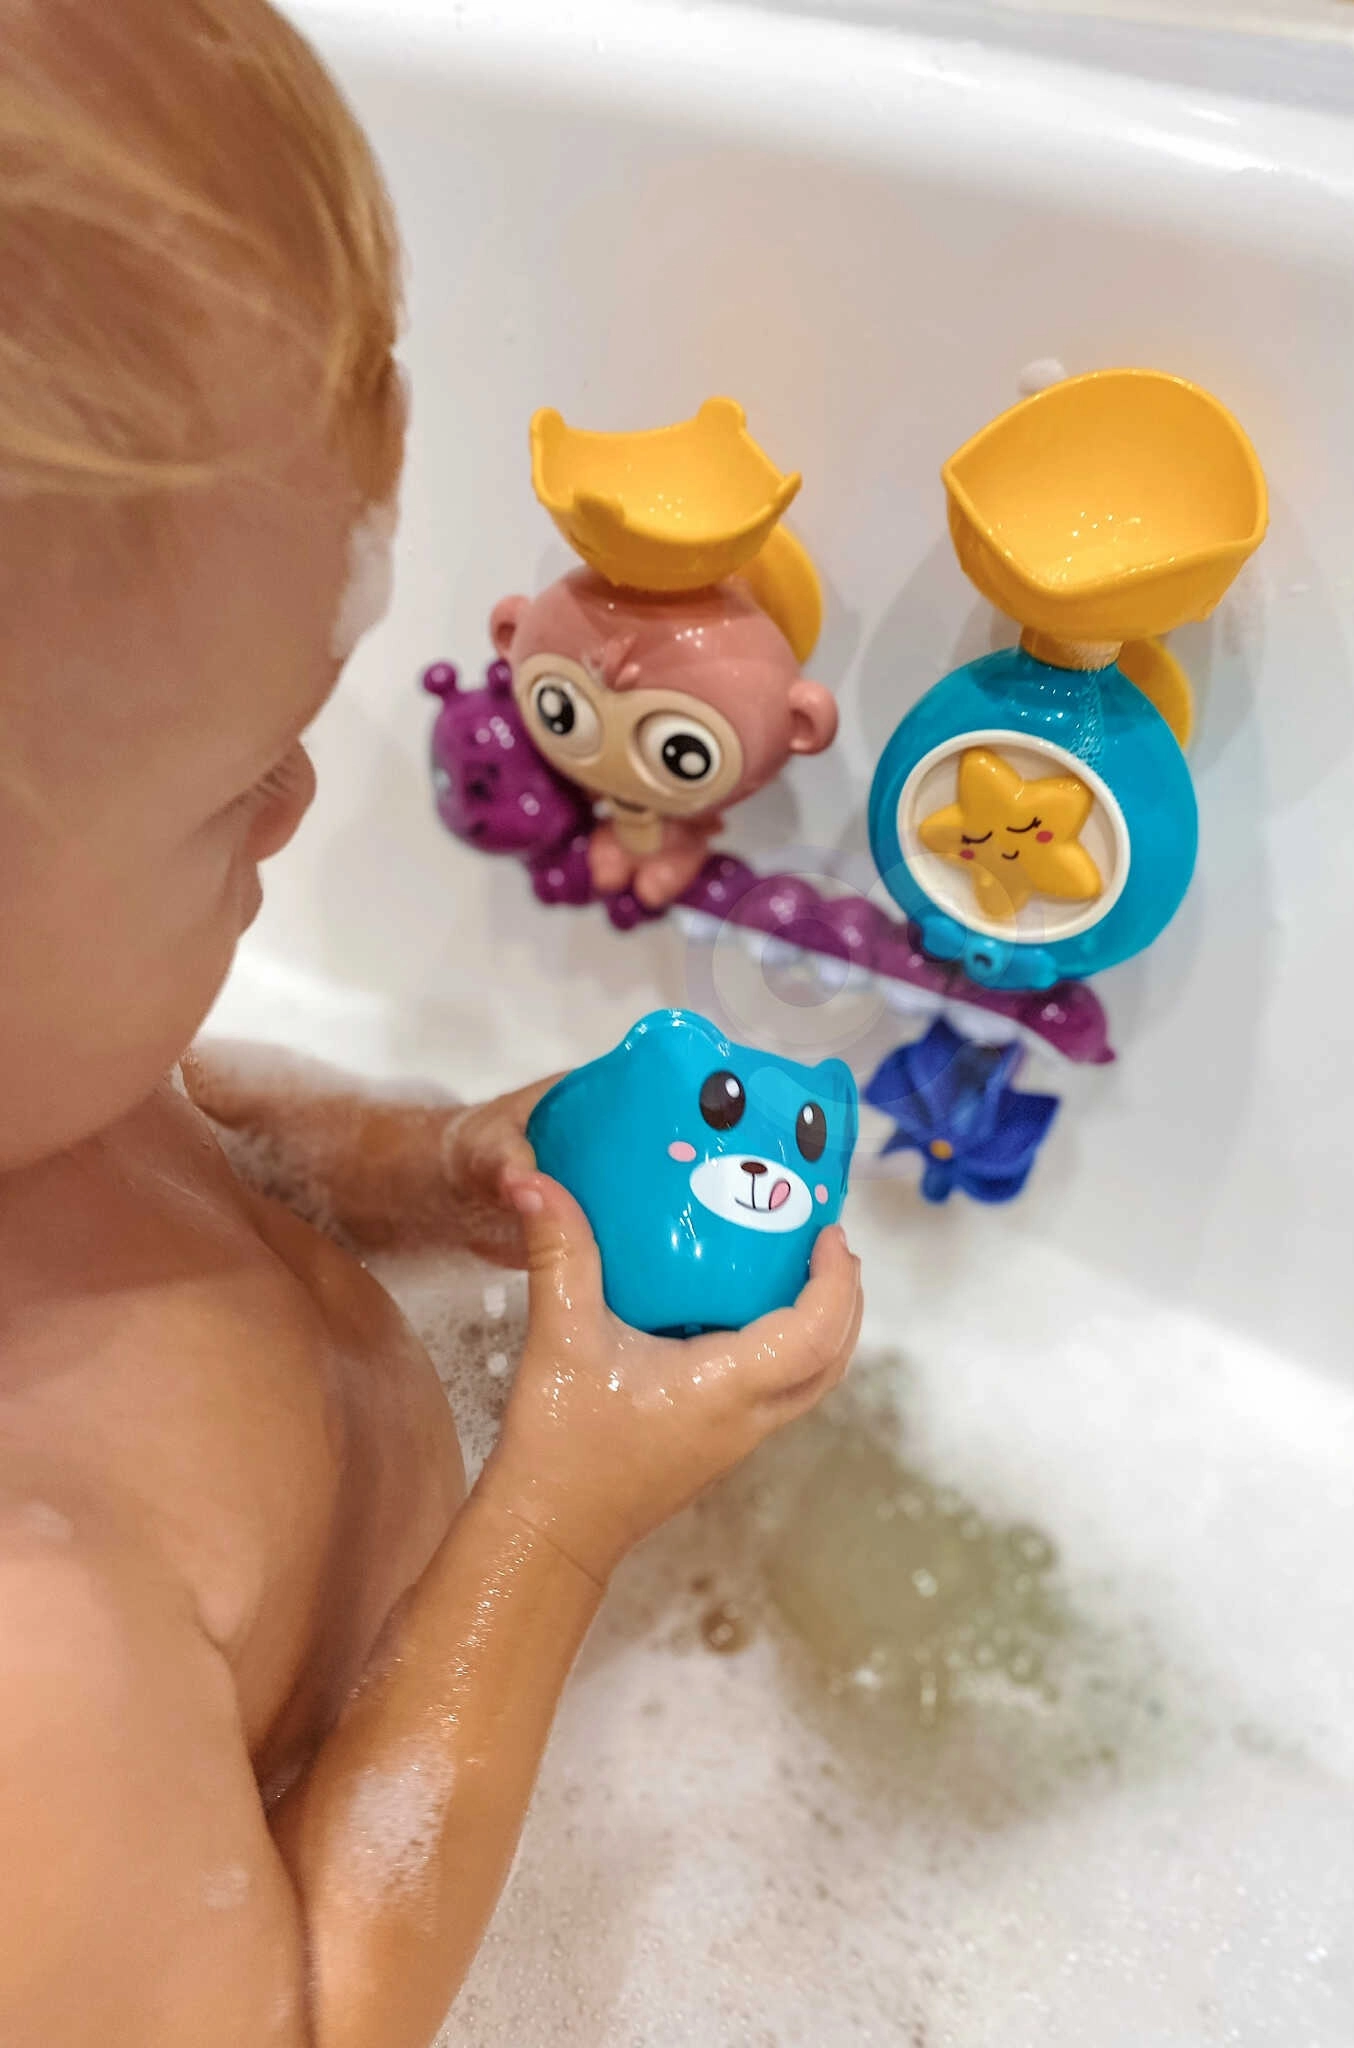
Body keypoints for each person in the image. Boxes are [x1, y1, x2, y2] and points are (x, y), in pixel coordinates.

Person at [0, 5, 864, 2043]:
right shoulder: (31, 1666)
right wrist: (553, 1519)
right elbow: (318, 2011)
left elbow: (184, 1108)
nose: (305, 802)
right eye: (242, 777)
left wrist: (416, 1167)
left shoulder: (49, 1063)